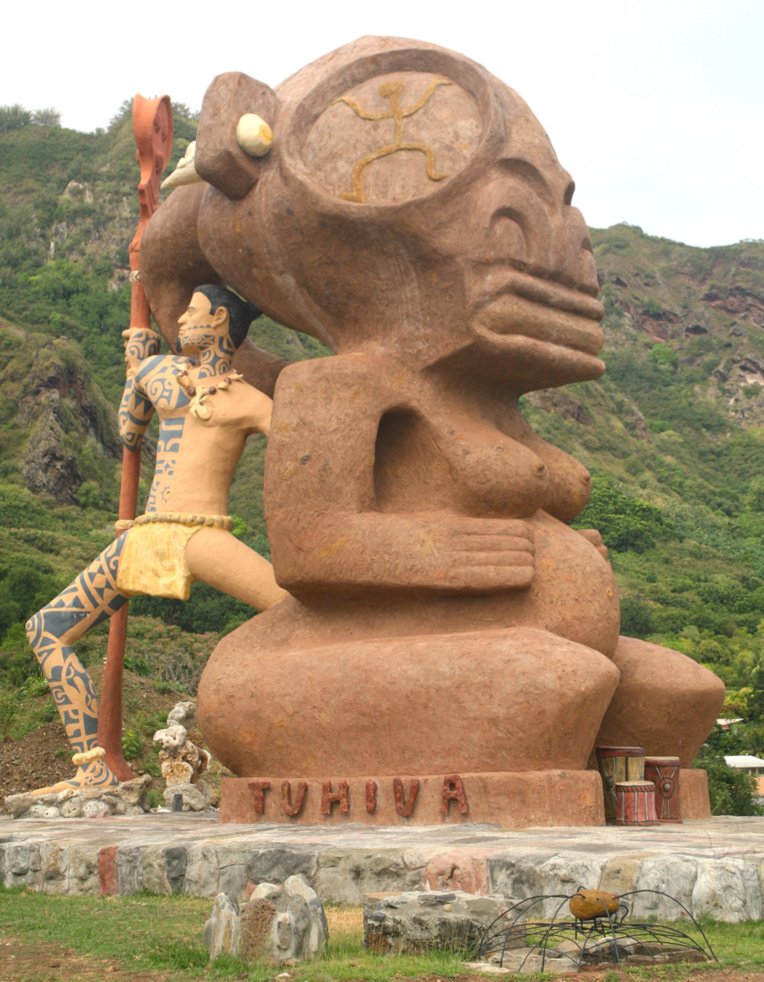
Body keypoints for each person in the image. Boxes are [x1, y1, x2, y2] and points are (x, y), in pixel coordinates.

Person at [25, 285, 287, 794]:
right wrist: (134, 369)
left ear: (220, 320)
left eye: (193, 311)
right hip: (146, 534)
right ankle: (92, 768)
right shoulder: (159, 371)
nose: (182, 320)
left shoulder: (249, 400)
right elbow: (129, 433)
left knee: (295, 609)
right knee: (46, 629)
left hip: (201, 534)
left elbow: (298, 448)